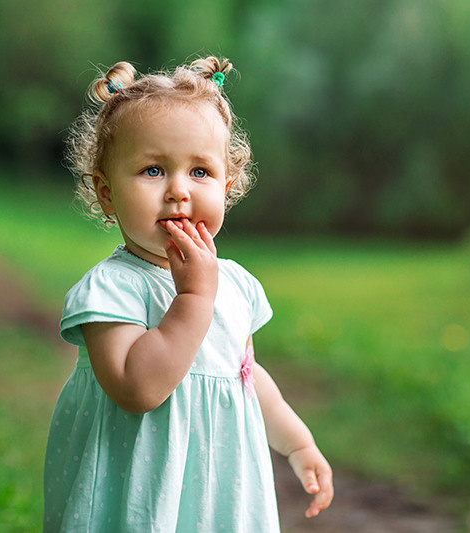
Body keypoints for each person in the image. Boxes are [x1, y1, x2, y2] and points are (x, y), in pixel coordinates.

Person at [44, 56, 333, 532]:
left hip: (217, 492)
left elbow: (242, 374)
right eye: (153, 171)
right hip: (135, 492)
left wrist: (297, 443)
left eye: (200, 172)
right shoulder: (113, 289)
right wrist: (195, 299)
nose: (179, 191)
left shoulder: (234, 284)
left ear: (228, 184)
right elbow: (137, 389)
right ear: (107, 192)